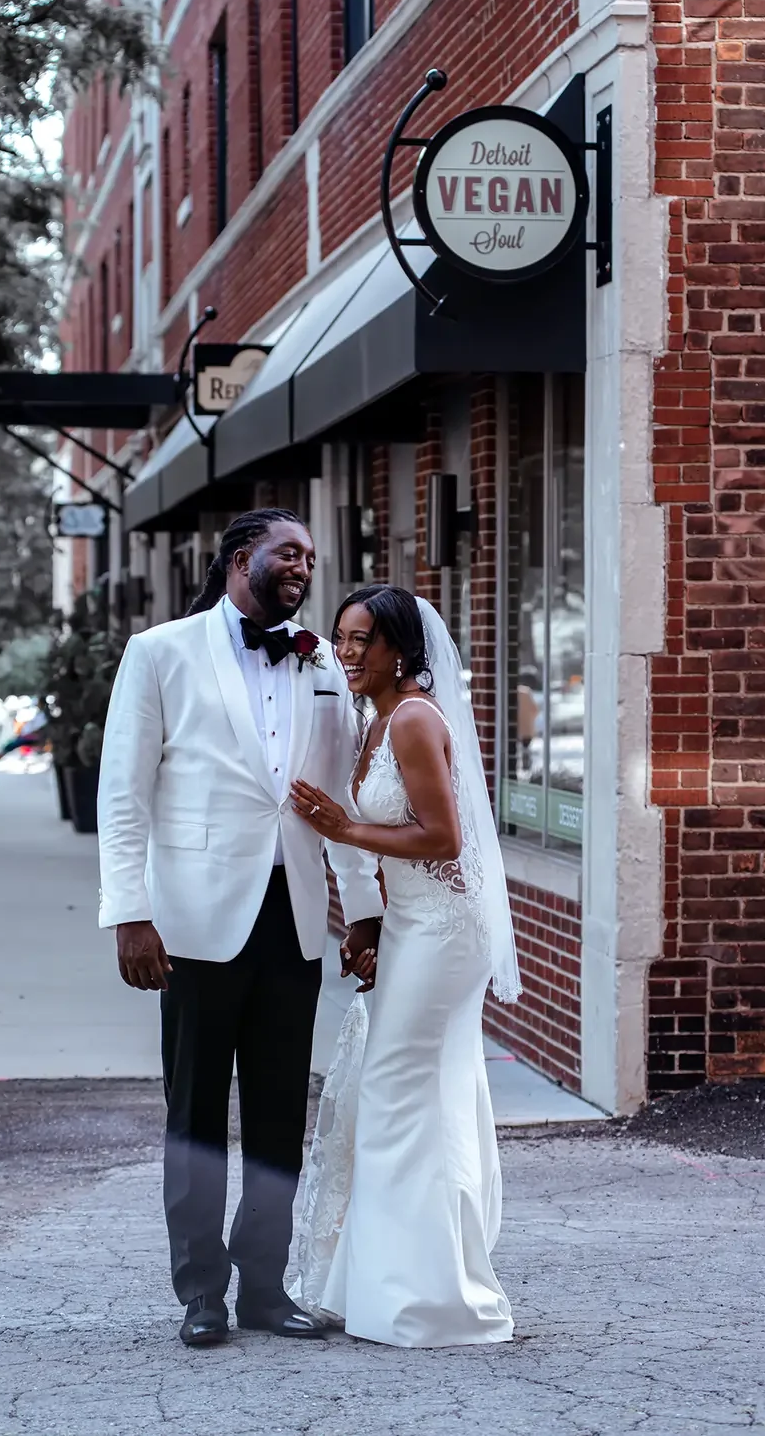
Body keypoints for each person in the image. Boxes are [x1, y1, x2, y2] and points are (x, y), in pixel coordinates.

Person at [96, 509, 383, 1349]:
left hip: (292, 921)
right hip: (187, 922)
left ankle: (263, 1286)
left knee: (274, 1112)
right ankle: (200, 1293)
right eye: (286, 551)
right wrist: (129, 912)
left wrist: (361, 907)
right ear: (238, 559)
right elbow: (123, 792)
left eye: (309, 557)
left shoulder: (324, 662)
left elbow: (339, 803)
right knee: (192, 1113)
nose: (302, 565)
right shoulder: (159, 652)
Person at [289, 584, 522, 1348]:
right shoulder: (375, 719)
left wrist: (345, 827)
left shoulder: (416, 718)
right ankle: (394, 1283)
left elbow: (443, 840)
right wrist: (377, 926)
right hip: (413, 924)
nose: (348, 653)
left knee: (393, 1089)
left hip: (448, 932)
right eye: (342, 638)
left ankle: (428, 1297)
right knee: (418, 1095)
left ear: (402, 650)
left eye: (365, 641)